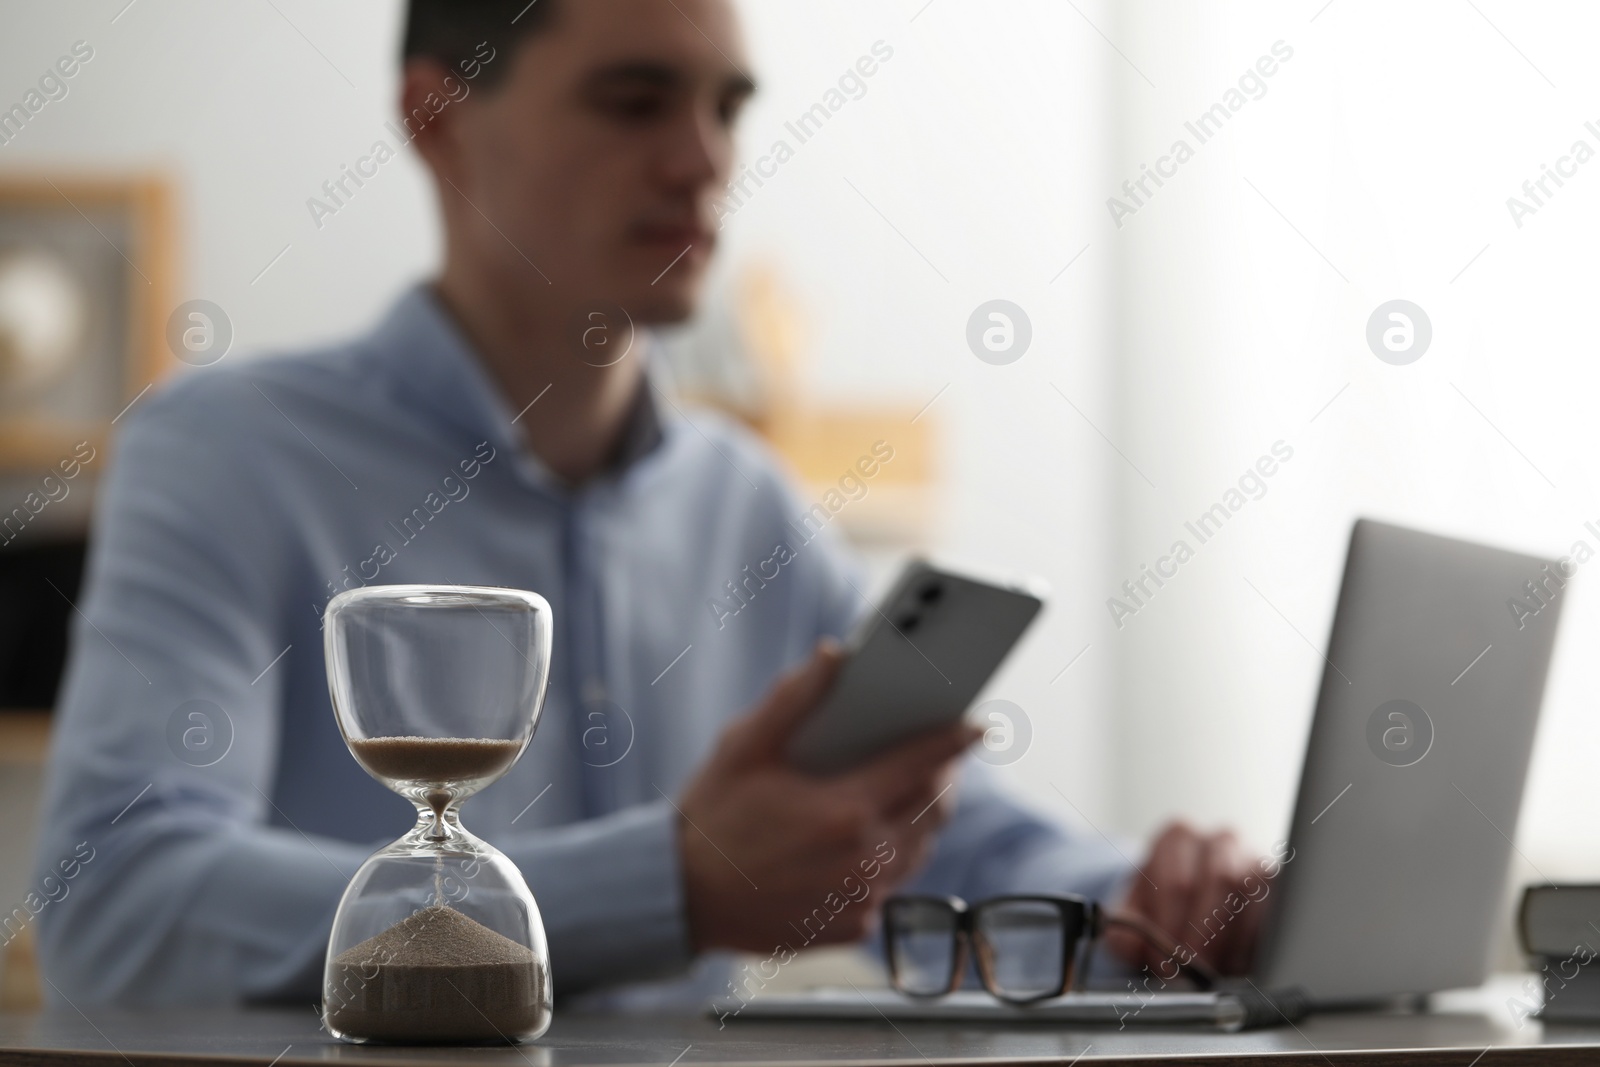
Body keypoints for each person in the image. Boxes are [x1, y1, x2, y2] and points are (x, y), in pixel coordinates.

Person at [32, 0, 1263, 1007]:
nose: (703, 158)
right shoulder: (227, 456)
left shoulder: (749, 505)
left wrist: (1156, 896)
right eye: (634, 100)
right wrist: (673, 879)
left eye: (726, 105)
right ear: (436, 115)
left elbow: (952, 842)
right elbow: (116, 904)